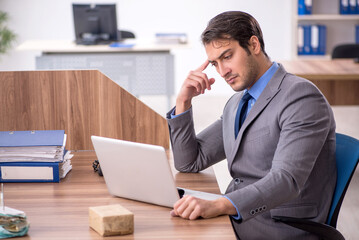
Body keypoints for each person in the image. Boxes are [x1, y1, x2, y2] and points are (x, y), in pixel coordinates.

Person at [166, 11, 336, 240]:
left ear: (253, 44)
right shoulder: (237, 103)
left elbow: (286, 180)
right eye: (215, 63)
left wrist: (219, 205)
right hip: (241, 217)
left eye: (227, 56)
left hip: (279, 228)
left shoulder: (300, 97)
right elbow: (189, 161)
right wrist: (183, 102)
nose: (222, 71)